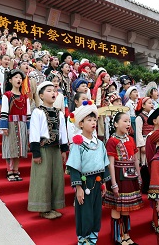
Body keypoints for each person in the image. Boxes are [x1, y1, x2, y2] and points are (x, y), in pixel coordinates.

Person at [66, 102, 110, 245]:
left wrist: (103, 184)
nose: (93, 123)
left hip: (97, 182)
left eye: (94, 120)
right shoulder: (78, 144)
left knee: (96, 211)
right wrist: (78, 188)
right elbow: (74, 166)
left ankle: (93, 238)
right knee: (85, 213)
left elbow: (104, 164)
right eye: (89, 120)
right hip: (84, 182)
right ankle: (83, 239)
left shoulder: (99, 143)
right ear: (80, 123)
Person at [28, 81, 69, 219]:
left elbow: (63, 131)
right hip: (43, 149)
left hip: (55, 149)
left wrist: (64, 149)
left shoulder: (60, 113)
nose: (53, 93)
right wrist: (35, 152)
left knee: (56, 177)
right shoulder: (38, 112)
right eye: (49, 91)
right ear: (41, 95)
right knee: (43, 178)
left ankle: (53, 206)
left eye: (54, 91)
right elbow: (34, 132)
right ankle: (43, 208)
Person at [103, 112, 143, 245]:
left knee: (126, 207)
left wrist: (139, 175)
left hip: (130, 176)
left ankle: (126, 235)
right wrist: (113, 183)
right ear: (115, 124)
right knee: (117, 206)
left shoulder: (131, 139)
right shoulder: (112, 141)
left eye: (128, 121)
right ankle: (118, 237)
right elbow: (111, 164)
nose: (128, 124)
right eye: (124, 121)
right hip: (118, 176)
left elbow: (135, 159)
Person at [0, 69, 29, 182]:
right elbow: (4, 111)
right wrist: (4, 126)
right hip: (11, 124)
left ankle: (16, 170)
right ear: (10, 80)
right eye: (16, 77)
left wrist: (29, 128)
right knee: (10, 148)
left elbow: (28, 113)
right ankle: (9, 171)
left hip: (22, 124)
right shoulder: (7, 95)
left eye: (20, 78)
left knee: (19, 149)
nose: (19, 80)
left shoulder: (25, 97)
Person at [134, 97, 154, 193]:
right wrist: (142, 145)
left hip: (150, 142)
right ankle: (145, 187)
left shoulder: (150, 117)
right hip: (144, 141)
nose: (151, 105)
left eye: (152, 103)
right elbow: (138, 133)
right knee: (144, 164)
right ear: (143, 105)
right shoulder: (140, 117)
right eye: (149, 103)